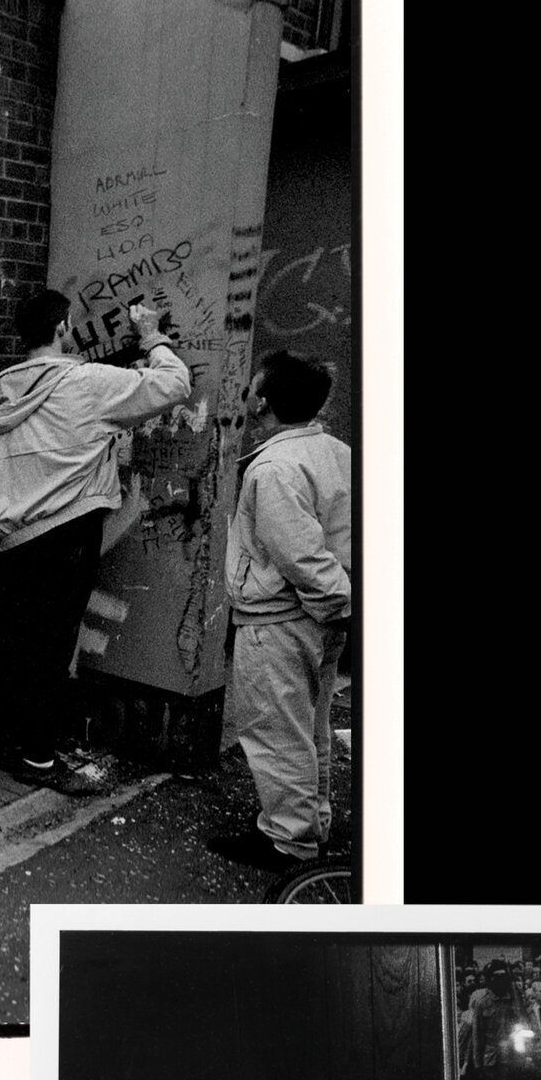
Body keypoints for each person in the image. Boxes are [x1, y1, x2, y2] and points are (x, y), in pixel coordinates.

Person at [0, 290, 192, 796]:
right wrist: (152, 336)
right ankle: (39, 757)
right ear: (64, 326)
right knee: (51, 648)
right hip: (64, 535)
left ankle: (15, 741)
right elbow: (174, 383)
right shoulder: (86, 383)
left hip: (9, 539)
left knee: (18, 642)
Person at [206, 351, 351, 876]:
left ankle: (289, 844)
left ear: (262, 402)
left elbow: (302, 558)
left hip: (280, 621)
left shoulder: (273, 468)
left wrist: (335, 604)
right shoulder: (335, 452)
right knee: (310, 730)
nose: (245, 393)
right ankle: (312, 828)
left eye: (252, 387)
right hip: (318, 621)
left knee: (276, 732)